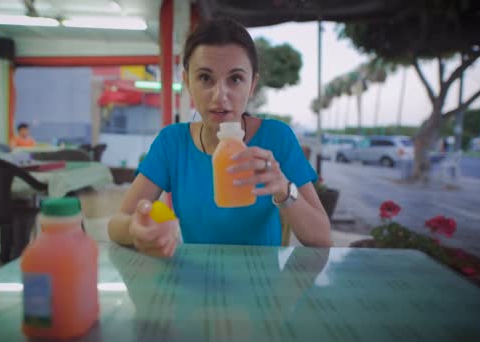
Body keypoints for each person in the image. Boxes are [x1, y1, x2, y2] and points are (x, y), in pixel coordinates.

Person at [108, 18, 331, 257]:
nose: (220, 95)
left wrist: (283, 188)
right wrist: (136, 228)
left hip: (263, 286)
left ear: (252, 84)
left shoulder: (276, 138)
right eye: (205, 78)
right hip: (195, 283)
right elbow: (117, 223)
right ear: (186, 81)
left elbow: (321, 238)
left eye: (235, 79)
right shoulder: (172, 143)